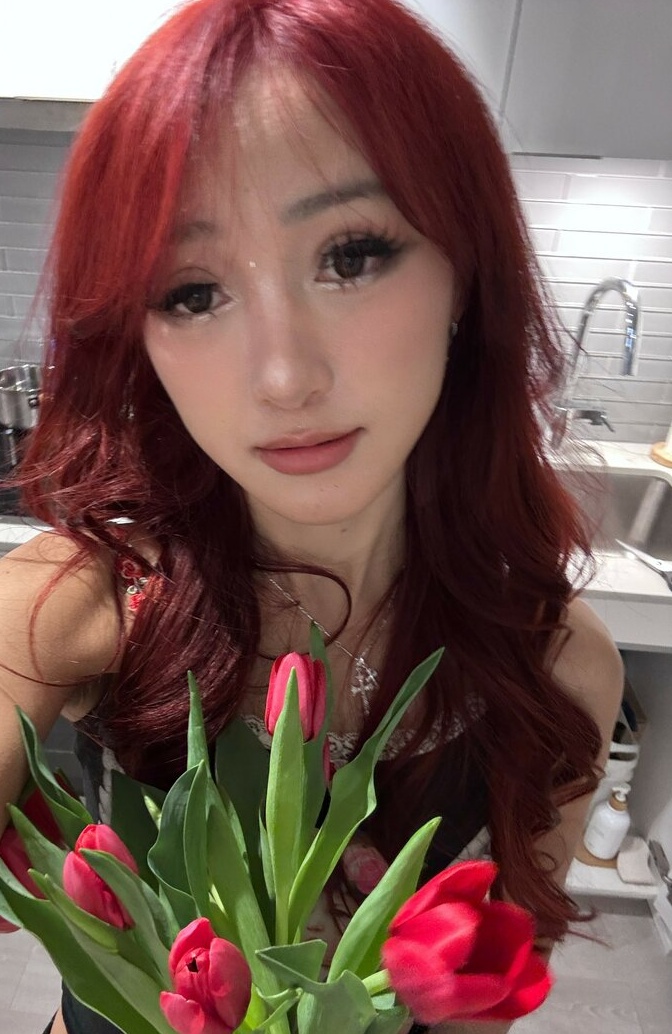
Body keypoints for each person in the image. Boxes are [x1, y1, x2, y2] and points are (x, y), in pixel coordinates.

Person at [0, 1, 623, 1032]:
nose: (284, 377)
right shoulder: (74, 603)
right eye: (191, 292)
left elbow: (482, 1009)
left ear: (465, 274)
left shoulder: (557, 672)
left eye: (352, 254)